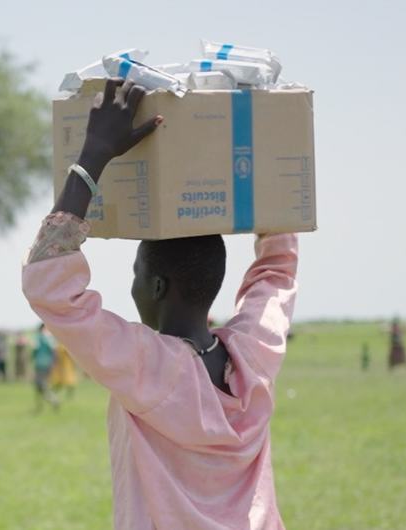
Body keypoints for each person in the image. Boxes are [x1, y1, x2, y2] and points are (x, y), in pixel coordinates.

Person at [21, 78, 297, 528]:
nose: (131, 287)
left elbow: (48, 283)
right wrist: (257, 142)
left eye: (137, 275)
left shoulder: (146, 367)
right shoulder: (256, 356)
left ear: (157, 287)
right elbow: (277, 272)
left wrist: (95, 154)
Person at [31, 325, 59, 413]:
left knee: (40, 386)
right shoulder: (50, 337)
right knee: (42, 385)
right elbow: (54, 351)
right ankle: (43, 404)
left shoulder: (39, 337)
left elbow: (34, 350)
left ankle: (52, 400)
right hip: (48, 364)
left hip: (40, 364)